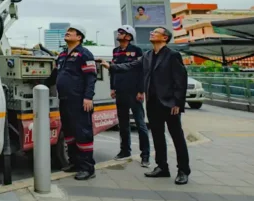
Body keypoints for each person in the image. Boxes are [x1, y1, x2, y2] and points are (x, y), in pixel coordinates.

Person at [105, 27, 190, 185]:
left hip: (169, 103)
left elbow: (181, 80)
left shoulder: (172, 55)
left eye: (156, 32)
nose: (152, 33)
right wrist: (111, 67)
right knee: (157, 136)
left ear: (165, 38)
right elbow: (131, 66)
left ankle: (183, 170)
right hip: (153, 103)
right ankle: (162, 167)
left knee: (177, 137)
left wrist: (178, 102)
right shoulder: (148, 55)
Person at [44, 24, 98, 180]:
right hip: (65, 100)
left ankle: (88, 168)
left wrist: (88, 97)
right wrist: (41, 85)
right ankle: (75, 163)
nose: (67, 33)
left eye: (71, 32)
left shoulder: (84, 54)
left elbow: (90, 78)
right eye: (67, 32)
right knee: (69, 133)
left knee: (83, 133)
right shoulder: (61, 55)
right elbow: (55, 75)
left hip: (79, 101)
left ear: (79, 37)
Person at [108, 25, 150, 167]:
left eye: (122, 32)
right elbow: (112, 71)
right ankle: (125, 151)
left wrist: (141, 91)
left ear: (129, 36)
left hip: (134, 92)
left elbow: (141, 71)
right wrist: (112, 87)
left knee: (140, 124)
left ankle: (145, 155)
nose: (119, 34)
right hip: (120, 91)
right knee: (123, 124)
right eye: (119, 32)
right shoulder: (115, 51)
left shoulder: (137, 51)